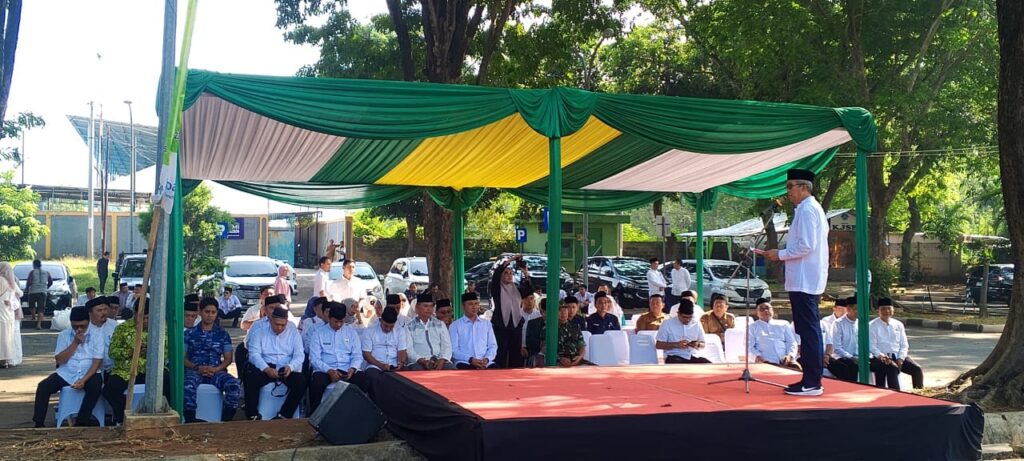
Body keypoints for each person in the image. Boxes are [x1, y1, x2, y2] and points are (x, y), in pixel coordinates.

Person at [765, 168, 829, 397]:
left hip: (805, 279)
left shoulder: (808, 209)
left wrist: (780, 254)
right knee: (806, 330)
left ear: (803, 187)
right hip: (803, 278)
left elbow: (807, 245)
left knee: (810, 331)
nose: (788, 191)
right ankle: (810, 379)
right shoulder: (806, 209)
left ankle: (812, 382)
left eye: (791, 186)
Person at [103, 297, 171, 426]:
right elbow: (113, 352)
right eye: (141, 317)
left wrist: (150, 351)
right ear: (134, 313)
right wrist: (131, 351)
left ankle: (162, 419)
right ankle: (122, 419)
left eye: (147, 318)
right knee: (109, 390)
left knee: (168, 382)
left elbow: (166, 352)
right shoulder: (122, 329)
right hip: (126, 370)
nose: (144, 321)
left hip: (151, 369)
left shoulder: (161, 329)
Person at [32, 306, 104, 427]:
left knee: (95, 386)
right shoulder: (64, 335)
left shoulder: (97, 334)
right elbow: (60, 360)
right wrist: (75, 343)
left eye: (82, 326)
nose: (79, 329)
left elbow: (97, 361)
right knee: (43, 386)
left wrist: (83, 380)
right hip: (67, 372)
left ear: (88, 322)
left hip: (89, 372)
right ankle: (38, 422)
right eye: (75, 326)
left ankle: (81, 422)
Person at [183, 298, 241, 423]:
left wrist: (216, 369)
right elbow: (183, 358)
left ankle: (226, 421)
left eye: (213, 312)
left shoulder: (223, 334)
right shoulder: (189, 334)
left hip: (216, 372)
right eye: (207, 312)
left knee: (234, 384)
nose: (210, 315)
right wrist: (196, 367)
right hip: (195, 371)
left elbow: (228, 359)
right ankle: (190, 420)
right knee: (187, 385)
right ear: (200, 312)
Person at [244, 307, 306, 420]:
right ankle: (252, 415)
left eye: (283, 325)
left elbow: (299, 355)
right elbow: (254, 355)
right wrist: (266, 369)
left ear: (287, 322)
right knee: (251, 376)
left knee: (301, 382)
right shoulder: (260, 331)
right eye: (277, 324)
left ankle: (284, 415)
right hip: (266, 367)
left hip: (285, 368)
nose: (279, 328)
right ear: (271, 320)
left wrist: (290, 367)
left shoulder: (293, 332)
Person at [308, 302, 365, 413]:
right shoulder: (318, 333)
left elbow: (357, 355)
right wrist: (329, 370)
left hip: (347, 369)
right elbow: (314, 359)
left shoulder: (351, 332)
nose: (339, 325)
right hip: (326, 370)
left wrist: (353, 369)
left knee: (364, 380)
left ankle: (355, 412)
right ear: (329, 318)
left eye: (341, 321)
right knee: (316, 383)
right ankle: (315, 415)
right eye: (336, 321)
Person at [869, 298, 923, 390]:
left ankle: (918, 394)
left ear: (893, 310)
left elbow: (904, 344)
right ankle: (896, 394)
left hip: (897, 356)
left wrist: (901, 358)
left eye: (889, 308)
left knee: (917, 369)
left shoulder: (898, 324)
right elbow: (871, 346)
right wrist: (881, 356)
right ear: (878, 311)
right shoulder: (872, 325)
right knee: (892, 368)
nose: (887, 311)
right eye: (883, 309)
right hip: (881, 358)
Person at [488, 257, 530, 369]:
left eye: (511, 273)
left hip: (516, 325)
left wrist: (525, 273)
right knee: (500, 354)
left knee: (516, 356)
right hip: (501, 326)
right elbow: (496, 274)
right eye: (506, 273)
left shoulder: (516, 289)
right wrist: (511, 259)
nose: (509, 275)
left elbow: (528, 291)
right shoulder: (497, 288)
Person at [361, 306, 408, 399]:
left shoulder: (400, 330)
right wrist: (381, 365)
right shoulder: (369, 331)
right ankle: (377, 404)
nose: (388, 329)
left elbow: (402, 350)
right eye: (386, 326)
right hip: (375, 365)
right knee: (371, 376)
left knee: (408, 376)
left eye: (391, 326)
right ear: (381, 320)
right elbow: (366, 354)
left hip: (394, 364)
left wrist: (400, 363)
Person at [404, 294, 454, 371]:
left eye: (431, 306)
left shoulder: (440, 324)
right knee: (417, 371)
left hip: (439, 360)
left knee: (452, 370)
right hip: (419, 362)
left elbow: (447, 346)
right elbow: (409, 350)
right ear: (417, 307)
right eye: (425, 306)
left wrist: (442, 360)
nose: (429, 309)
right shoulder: (409, 327)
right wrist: (423, 361)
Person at [748, 299, 800, 371]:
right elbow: (749, 346)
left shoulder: (783, 324)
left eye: (767, 308)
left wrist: (790, 355)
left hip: (785, 362)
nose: (766, 311)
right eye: (762, 309)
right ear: (757, 313)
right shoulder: (752, 327)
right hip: (764, 363)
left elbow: (791, 342)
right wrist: (757, 357)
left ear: (772, 310)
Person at [451, 292, 498, 369]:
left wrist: (486, 359)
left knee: (496, 371)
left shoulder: (486, 324)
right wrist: (470, 359)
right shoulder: (455, 325)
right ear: (463, 306)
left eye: (476, 304)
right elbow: (454, 350)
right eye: (470, 304)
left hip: (485, 362)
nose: (474, 307)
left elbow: (492, 346)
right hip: (465, 362)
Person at [655, 299, 711, 364]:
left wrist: (697, 344)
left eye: (690, 317)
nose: (688, 320)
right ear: (678, 313)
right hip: (674, 356)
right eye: (685, 317)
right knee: (677, 362)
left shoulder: (696, 323)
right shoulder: (667, 324)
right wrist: (676, 345)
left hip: (693, 356)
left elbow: (703, 344)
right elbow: (658, 345)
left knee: (708, 364)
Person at [828, 296, 861, 383]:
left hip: (857, 356)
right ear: (848, 309)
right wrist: (851, 357)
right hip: (840, 356)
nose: (858, 311)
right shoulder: (838, 323)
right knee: (851, 367)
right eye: (856, 309)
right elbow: (837, 348)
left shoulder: (861, 323)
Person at [86, 297, 117, 379]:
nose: (104, 313)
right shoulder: (85, 328)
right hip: (90, 370)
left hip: (113, 369)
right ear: (90, 313)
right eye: (99, 310)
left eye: (105, 309)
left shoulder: (115, 325)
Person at [0, 262, 24, 368]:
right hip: (9, 314)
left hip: (1, 312)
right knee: (8, 338)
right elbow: (20, 293)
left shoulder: (1, 280)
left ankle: (2, 360)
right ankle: (7, 360)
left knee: (2, 337)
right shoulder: (12, 282)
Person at [556, 299, 587, 367]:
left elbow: (582, 346)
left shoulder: (575, 327)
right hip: (558, 361)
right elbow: (544, 348)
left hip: (575, 360)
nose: (563, 313)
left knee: (595, 369)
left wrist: (580, 357)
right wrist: (559, 358)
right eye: (560, 310)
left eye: (565, 310)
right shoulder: (550, 328)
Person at [26, 259, 52, 330]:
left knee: (31, 305)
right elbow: (50, 281)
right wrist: (46, 287)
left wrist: (27, 289)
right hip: (43, 292)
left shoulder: (32, 272)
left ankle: (33, 317)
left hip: (33, 291)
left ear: (34, 265)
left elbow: (29, 282)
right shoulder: (47, 272)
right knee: (41, 308)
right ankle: (39, 324)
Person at [304, 257, 332, 321]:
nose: (330, 266)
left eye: (330, 264)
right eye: (328, 264)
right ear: (322, 264)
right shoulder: (321, 275)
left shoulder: (325, 274)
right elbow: (321, 291)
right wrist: (326, 305)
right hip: (320, 303)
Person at [524, 298, 549, 367]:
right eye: (547, 312)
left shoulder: (559, 324)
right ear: (541, 312)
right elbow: (530, 343)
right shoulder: (532, 323)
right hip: (537, 354)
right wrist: (542, 346)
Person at [518, 288, 541, 356]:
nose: (529, 301)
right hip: (519, 348)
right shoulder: (517, 315)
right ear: (522, 300)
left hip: (535, 350)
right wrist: (520, 347)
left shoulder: (539, 315)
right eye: (526, 299)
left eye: (531, 298)